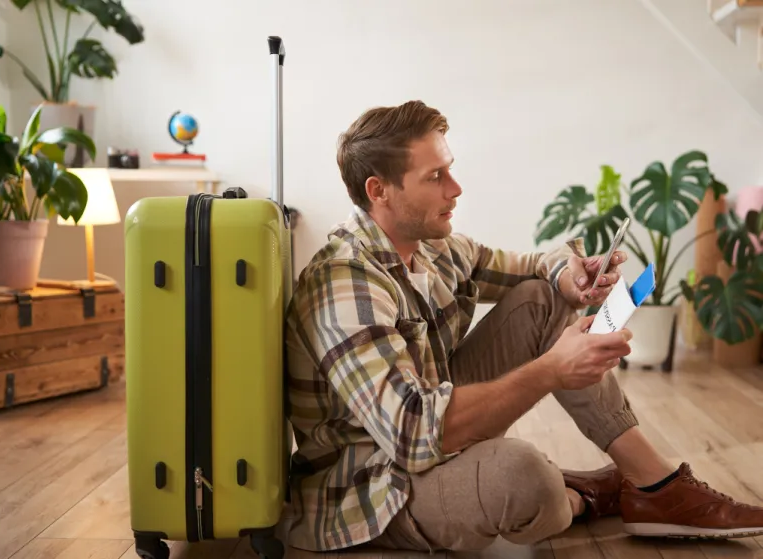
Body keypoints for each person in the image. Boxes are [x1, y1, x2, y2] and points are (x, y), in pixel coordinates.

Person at [282, 100, 763, 554]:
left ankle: (656, 485)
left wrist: (570, 276)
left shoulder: (432, 247)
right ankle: (583, 494)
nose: (456, 188)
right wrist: (552, 370)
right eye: (435, 176)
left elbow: (534, 265)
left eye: (450, 169)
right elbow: (412, 431)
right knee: (522, 475)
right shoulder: (345, 284)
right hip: (374, 484)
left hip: (430, 438)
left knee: (539, 298)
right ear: (378, 190)